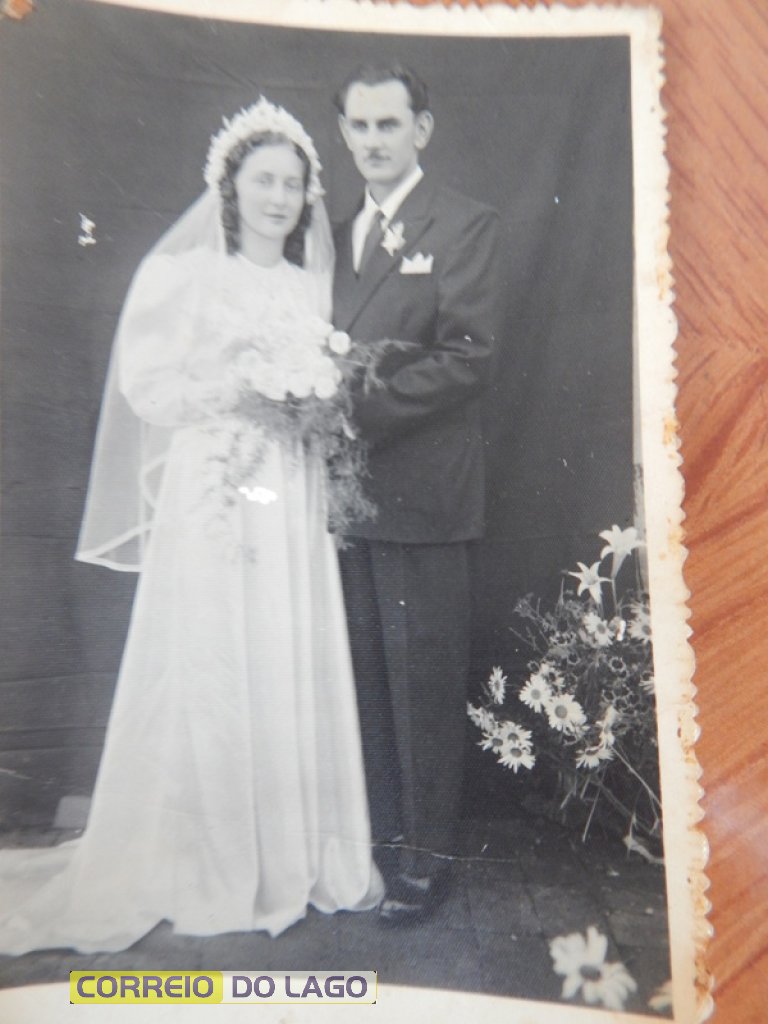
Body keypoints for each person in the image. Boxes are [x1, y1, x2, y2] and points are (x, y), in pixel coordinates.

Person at [0, 98, 382, 955]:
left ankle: (287, 856)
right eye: (264, 181)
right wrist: (245, 393)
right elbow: (150, 388)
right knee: (213, 655)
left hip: (290, 493)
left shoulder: (313, 285)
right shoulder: (182, 279)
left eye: (294, 184)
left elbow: (335, 385)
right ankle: (206, 857)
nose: (280, 198)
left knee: (283, 648)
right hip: (212, 491)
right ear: (231, 189)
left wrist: (309, 398)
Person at [332, 64, 503, 924]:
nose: (373, 141)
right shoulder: (337, 232)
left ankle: (427, 862)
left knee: (424, 681)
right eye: (358, 126)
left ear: (422, 130)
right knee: (366, 678)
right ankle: (382, 842)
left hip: (427, 499)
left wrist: (349, 408)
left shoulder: (463, 223)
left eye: (389, 125)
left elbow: (469, 356)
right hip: (351, 503)